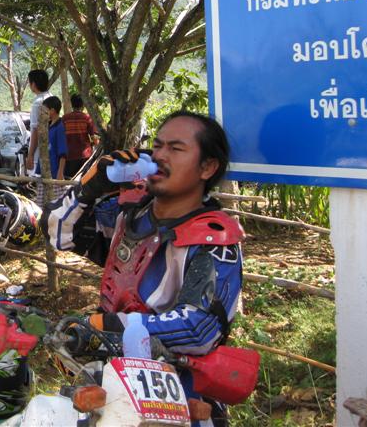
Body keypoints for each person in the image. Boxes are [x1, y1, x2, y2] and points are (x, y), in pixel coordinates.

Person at [45, 111, 245, 425]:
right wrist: (89, 187)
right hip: (110, 383)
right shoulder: (130, 214)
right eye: (158, 146)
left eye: (176, 149)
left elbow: (199, 329)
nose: (160, 156)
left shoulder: (213, 238)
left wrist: (110, 324)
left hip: (179, 397)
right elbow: (59, 234)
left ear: (207, 167)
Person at [35, 96, 67, 206]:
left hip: (54, 173)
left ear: (52, 111)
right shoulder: (48, 126)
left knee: (54, 204)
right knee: (42, 204)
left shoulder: (60, 127)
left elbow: (63, 153)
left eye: (45, 111)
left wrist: (60, 173)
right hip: (44, 171)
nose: (42, 114)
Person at [61, 94, 98, 178]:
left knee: (69, 180)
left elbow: (61, 137)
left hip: (69, 155)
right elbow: (93, 137)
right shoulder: (87, 118)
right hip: (85, 156)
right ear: (83, 104)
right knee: (84, 180)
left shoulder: (65, 118)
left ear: (71, 104)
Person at [24, 69, 51, 174]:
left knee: (36, 179)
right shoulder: (51, 97)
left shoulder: (38, 103)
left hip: (39, 152)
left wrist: (30, 155)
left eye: (29, 82)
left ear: (33, 84)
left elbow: (36, 130)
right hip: (51, 148)